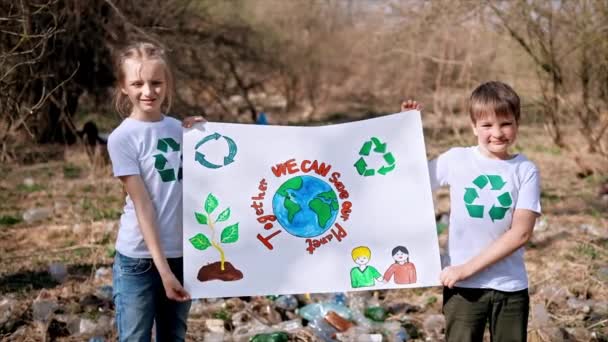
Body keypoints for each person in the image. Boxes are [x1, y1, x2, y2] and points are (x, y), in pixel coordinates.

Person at [401, 81, 541, 342]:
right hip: (463, 290)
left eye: (506, 123)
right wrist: (406, 130)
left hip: (509, 288)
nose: (497, 133)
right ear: (473, 126)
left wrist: (465, 269)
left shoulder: (525, 170)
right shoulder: (456, 160)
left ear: (517, 123)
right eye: (487, 125)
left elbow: (521, 233)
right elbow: (412, 180)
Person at [107, 41, 204, 341]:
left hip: (183, 254)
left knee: (173, 337)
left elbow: (206, 184)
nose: (147, 91)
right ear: (124, 87)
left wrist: (208, 134)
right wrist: (164, 272)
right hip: (139, 259)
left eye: (155, 82)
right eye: (137, 83)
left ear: (167, 84)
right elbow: (143, 206)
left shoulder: (180, 130)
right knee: (135, 337)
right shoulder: (122, 138)